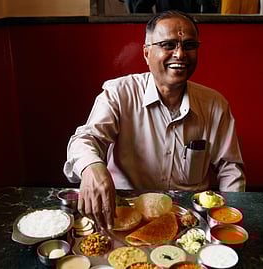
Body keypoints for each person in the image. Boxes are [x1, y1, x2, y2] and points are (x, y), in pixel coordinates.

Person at [63, 10, 246, 230]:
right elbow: (84, 140)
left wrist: (228, 219)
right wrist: (92, 167)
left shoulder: (215, 104)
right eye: (168, 45)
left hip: (188, 220)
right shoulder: (119, 93)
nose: (180, 54)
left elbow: (230, 169)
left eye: (189, 46)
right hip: (124, 212)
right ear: (146, 53)